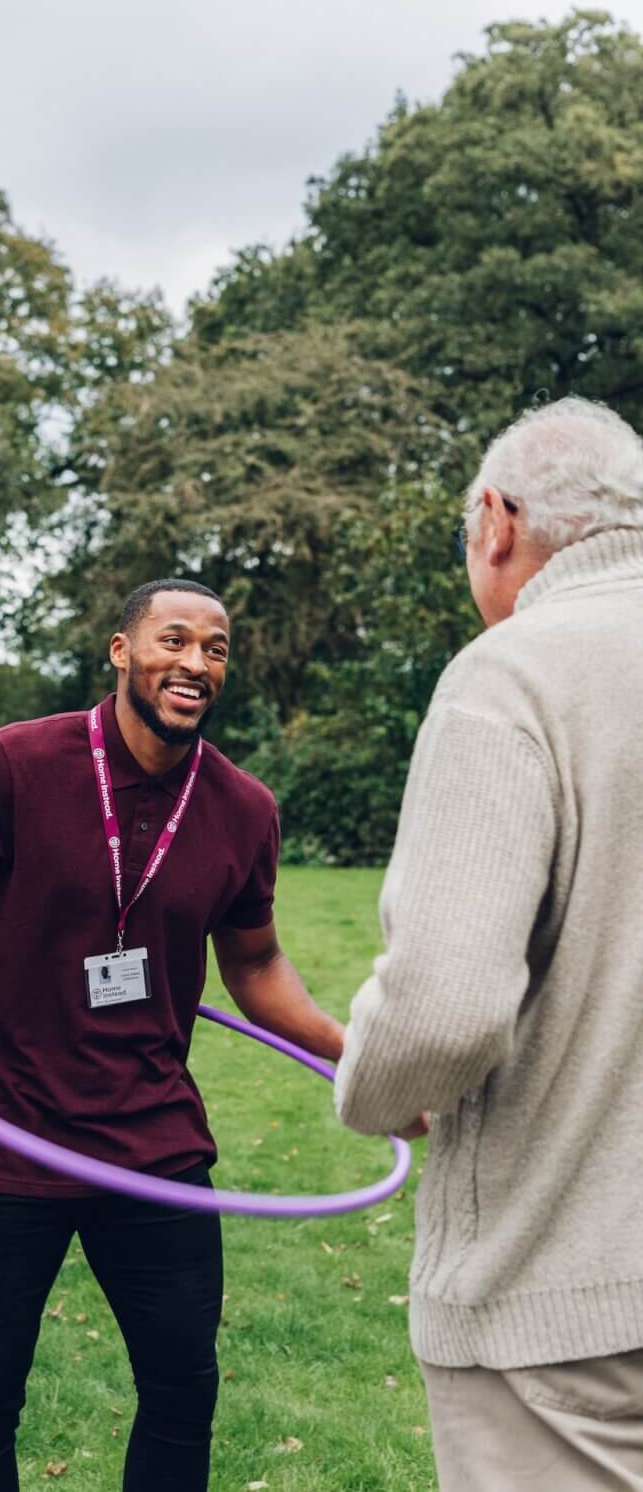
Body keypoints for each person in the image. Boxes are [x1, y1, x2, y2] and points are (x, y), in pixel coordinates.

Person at [0, 577, 344, 1492]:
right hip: (2, 1144)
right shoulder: (14, 765)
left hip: (153, 1146)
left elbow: (255, 966)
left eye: (215, 649)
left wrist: (351, 1049)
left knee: (182, 1392)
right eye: (174, 640)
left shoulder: (244, 809)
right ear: (122, 651)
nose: (195, 662)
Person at [333, 397, 643, 1490]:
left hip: (567, 1304)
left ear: (494, 519)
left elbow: (441, 1007)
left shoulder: (513, 673)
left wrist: (376, 1090)